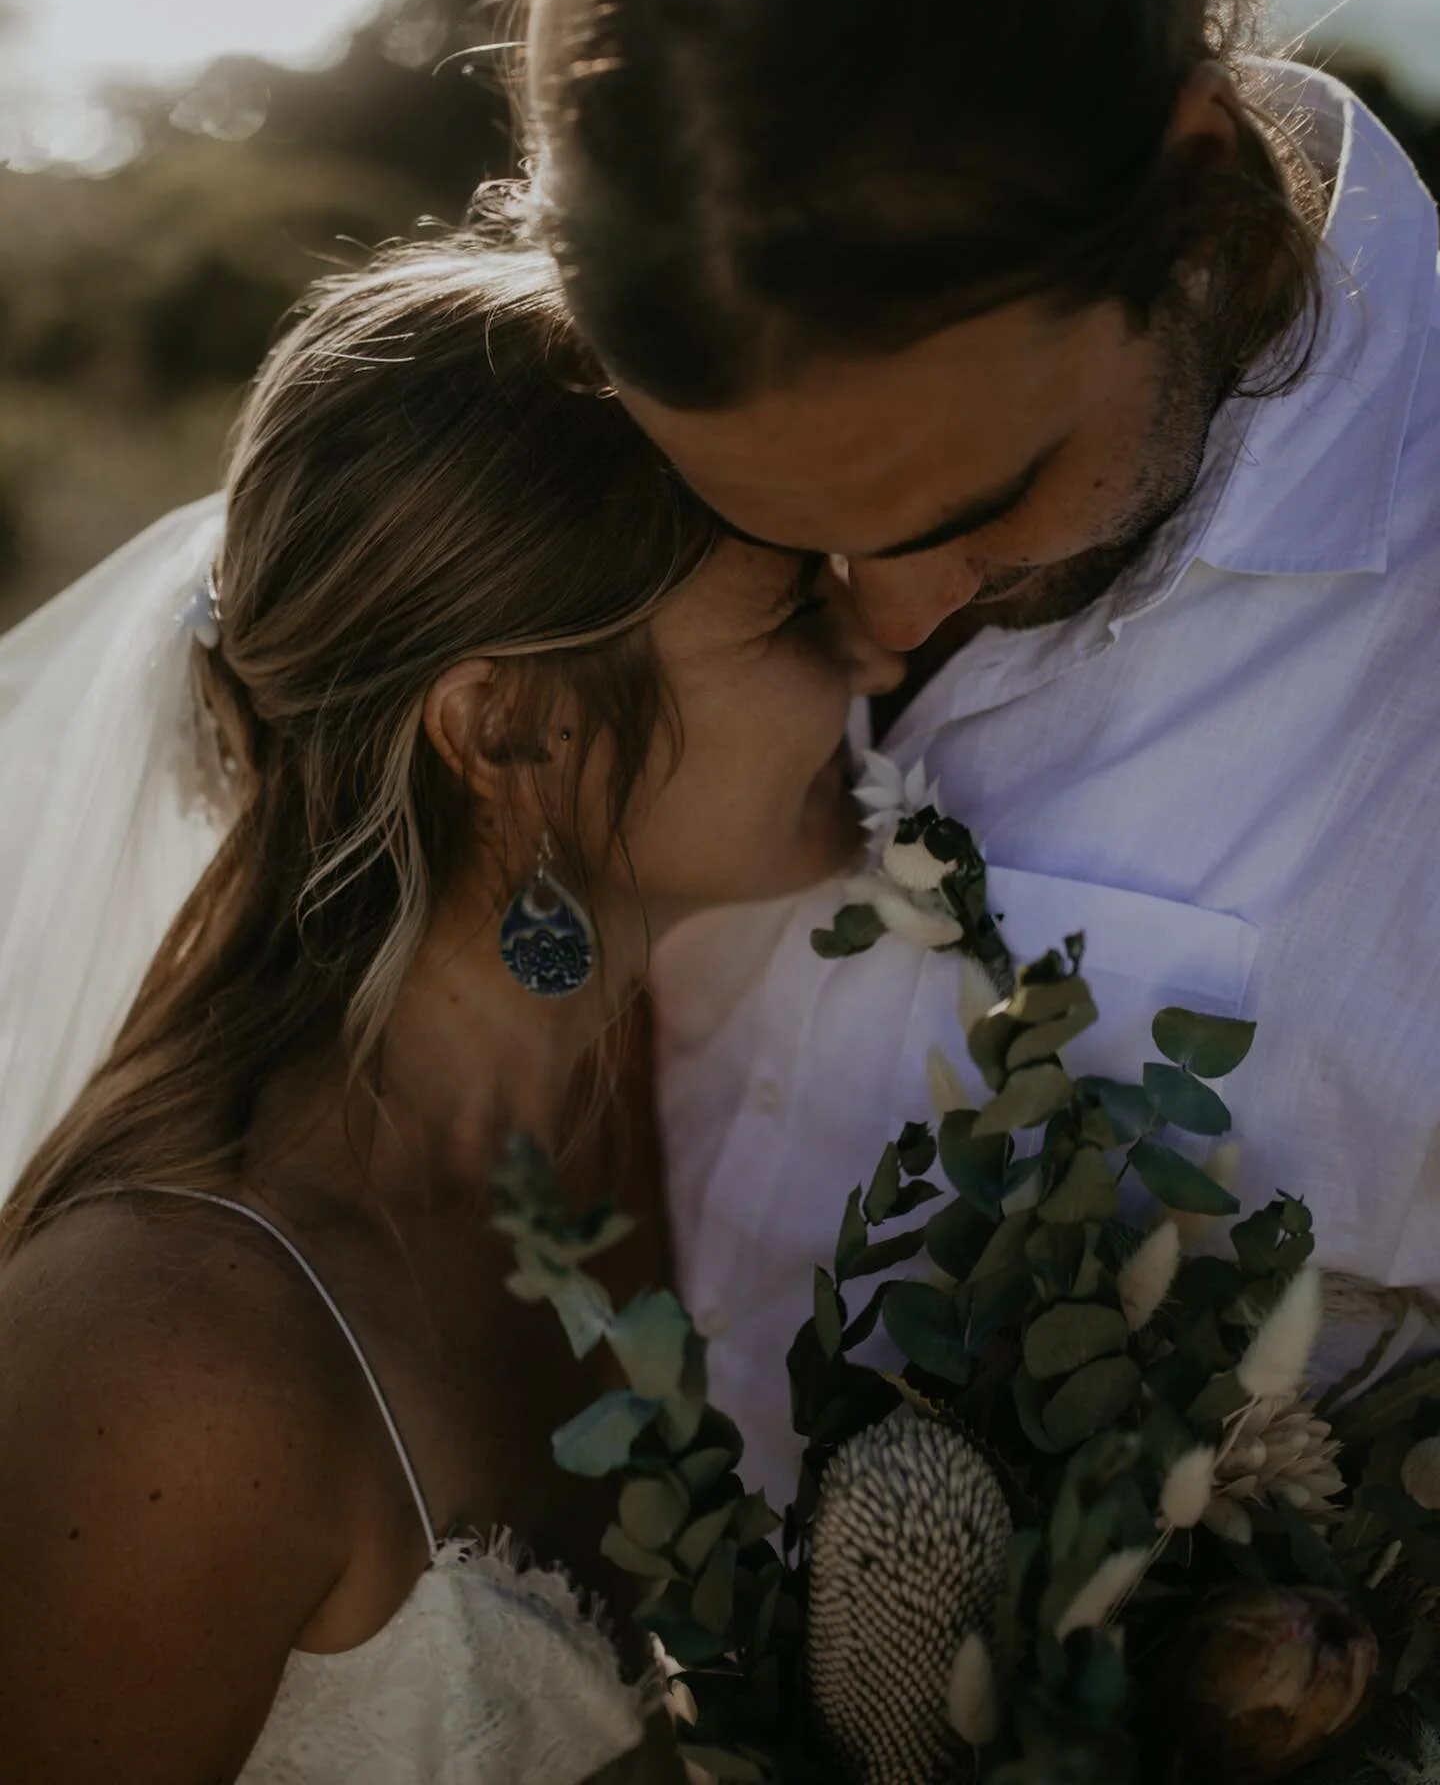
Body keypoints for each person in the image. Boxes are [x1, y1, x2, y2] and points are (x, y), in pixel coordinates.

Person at [523, 0, 1440, 1504]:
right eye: (774, 534)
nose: (871, 621)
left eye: (976, 506)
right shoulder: (566, 475)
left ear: (1196, 191)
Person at [0, 237, 900, 1782]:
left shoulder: (652, 1091)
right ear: (511, 728)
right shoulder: (171, 1359)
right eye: (785, 617)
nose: (871, 652)